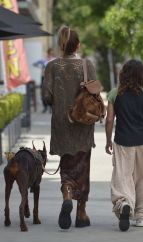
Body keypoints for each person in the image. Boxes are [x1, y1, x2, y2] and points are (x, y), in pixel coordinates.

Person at [42, 26, 96, 229]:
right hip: (83, 123)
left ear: (60, 45)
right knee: (82, 165)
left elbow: (46, 97)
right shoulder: (86, 65)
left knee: (67, 163)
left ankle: (67, 192)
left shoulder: (52, 66)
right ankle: (81, 213)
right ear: (78, 45)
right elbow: (94, 92)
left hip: (62, 124)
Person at [105, 59, 143, 232]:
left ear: (123, 75)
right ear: (142, 76)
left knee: (122, 178)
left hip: (122, 142)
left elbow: (109, 120)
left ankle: (124, 204)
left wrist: (108, 140)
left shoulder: (114, 94)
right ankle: (141, 217)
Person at [33, 48, 55, 113]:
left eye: (51, 53)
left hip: (51, 78)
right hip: (44, 77)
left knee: (51, 92)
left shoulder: (54, 59)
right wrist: (41, 67)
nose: (50, 54)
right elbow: (34, 64)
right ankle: (45, 107)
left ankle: (51, 107)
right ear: (48, 53)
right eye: (49, 52)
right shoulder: (44, 60)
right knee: (43, 92)